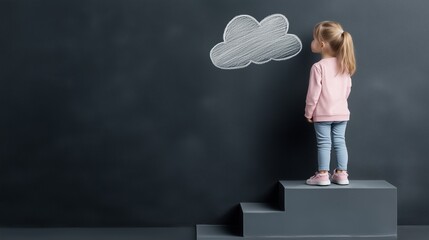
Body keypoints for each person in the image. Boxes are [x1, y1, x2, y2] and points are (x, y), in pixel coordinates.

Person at [304, 21, 356, 186]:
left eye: (313, 39)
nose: (311, 42)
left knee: (324, 143)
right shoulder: (344, 66)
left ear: (321, 44)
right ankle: (341, 174)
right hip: (342, 113)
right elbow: (347, 90)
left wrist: (308, 113)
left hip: (323, 113)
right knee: (340, 141)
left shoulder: (318, 67)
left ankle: (323, 175)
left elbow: (313, 94)